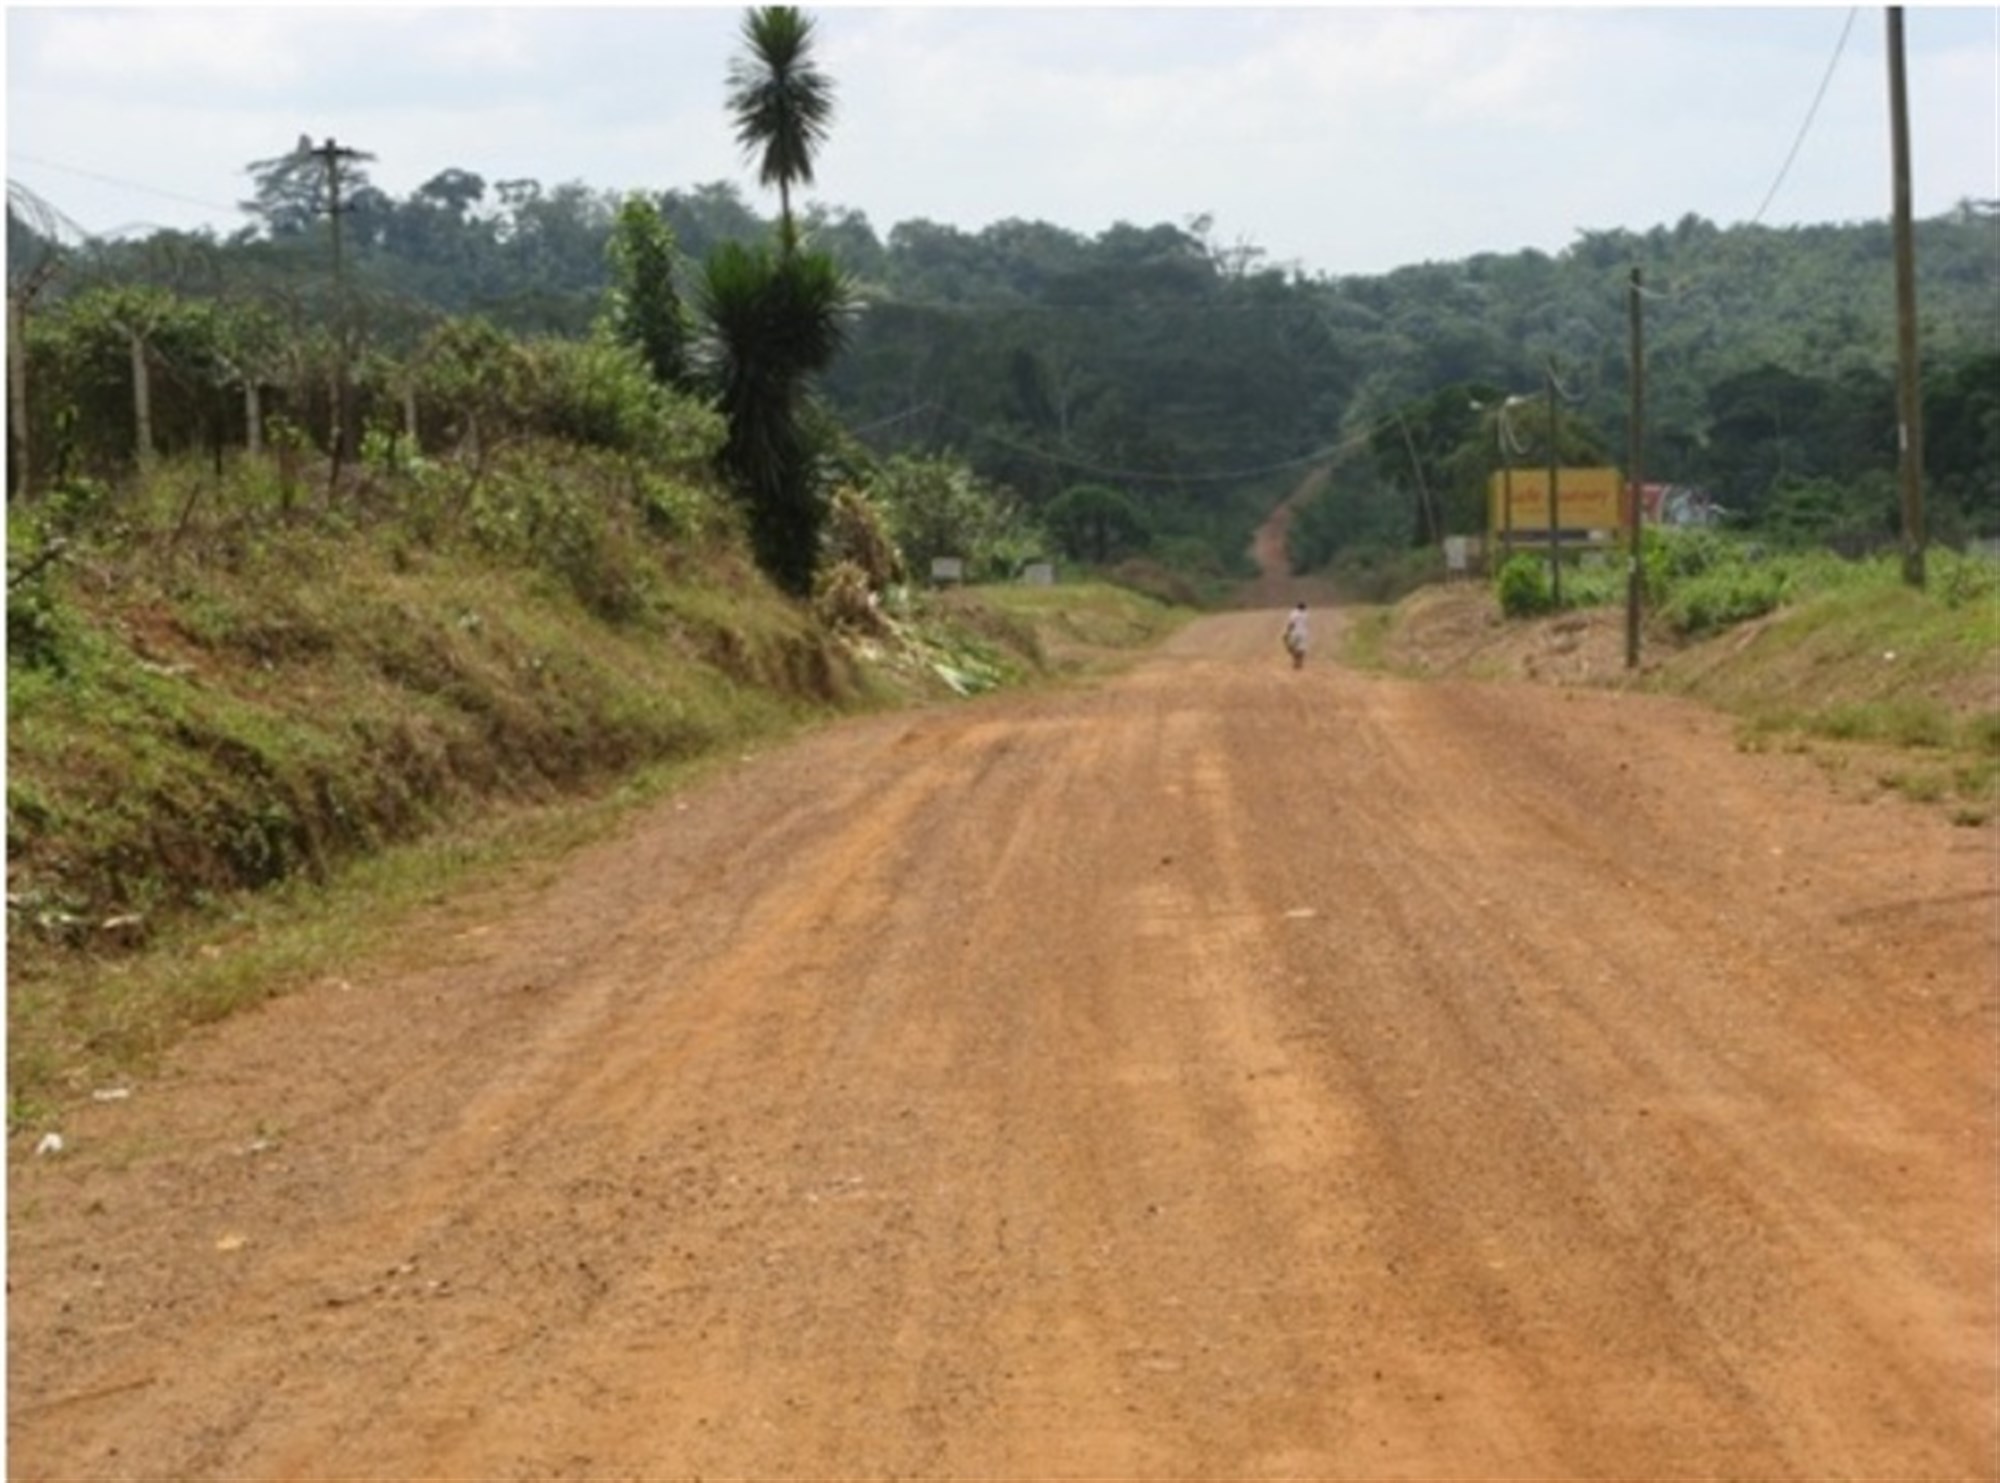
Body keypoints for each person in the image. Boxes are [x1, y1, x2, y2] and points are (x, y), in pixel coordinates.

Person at [1281, 602, 1308, 670]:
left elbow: (1291, 623)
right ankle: (1299, 663)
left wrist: (1287, 632)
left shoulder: (1294, 613)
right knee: (1301, 649)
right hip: (1303, 633)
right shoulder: (1306, 614)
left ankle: (1295, 660)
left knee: (1290, 646)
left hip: (1295, 632)